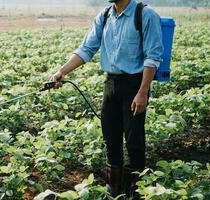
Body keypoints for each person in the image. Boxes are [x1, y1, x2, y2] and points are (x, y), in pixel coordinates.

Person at [50, 0, 163, 199]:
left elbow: (152, 57)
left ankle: (135, 191)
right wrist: (62, 72)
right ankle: (114, 188)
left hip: (134, 85)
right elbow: (86, 49)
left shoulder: (145, 15)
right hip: (110, 84)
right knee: (110, 138)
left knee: (134, 139)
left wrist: (143, 92)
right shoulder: (104, 16)